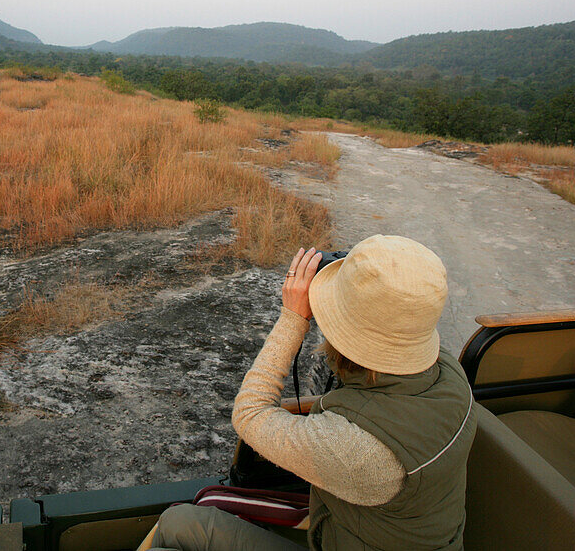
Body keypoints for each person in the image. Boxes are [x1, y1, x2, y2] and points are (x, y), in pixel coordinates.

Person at [151, 235, 477, 551]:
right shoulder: (450, 375)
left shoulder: (359, 448)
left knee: (172, 528)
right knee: (176, 522)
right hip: (367, 532)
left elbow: (250, 413)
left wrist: (294, 317)